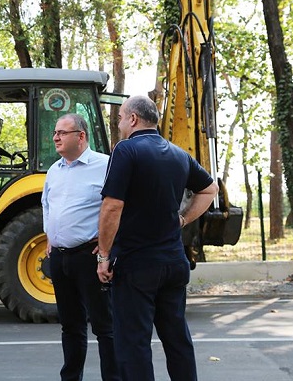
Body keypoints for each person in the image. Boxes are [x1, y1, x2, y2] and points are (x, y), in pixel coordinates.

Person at [96, 95, 219, 381]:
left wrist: (103, 256)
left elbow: (112, 206)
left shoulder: (126, 151)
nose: (120, 124)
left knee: (133, 344)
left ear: (133, 119)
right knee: (177, 340)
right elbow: (209, 189)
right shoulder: (178, 154)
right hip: (174, 263)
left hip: (137, 264)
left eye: (121, 118)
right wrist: (182, 219)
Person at [42, 113, 120, 381]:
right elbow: (47, 205)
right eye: (55, 132)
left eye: (62, 133)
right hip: (61, 259)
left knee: (104, 326)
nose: (56, 137)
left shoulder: (106, 166)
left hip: (90, 258)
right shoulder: (54, 170)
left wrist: (109, 246)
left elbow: (119, 208)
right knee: (70, 327)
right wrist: (50, 236)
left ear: (81, 136)